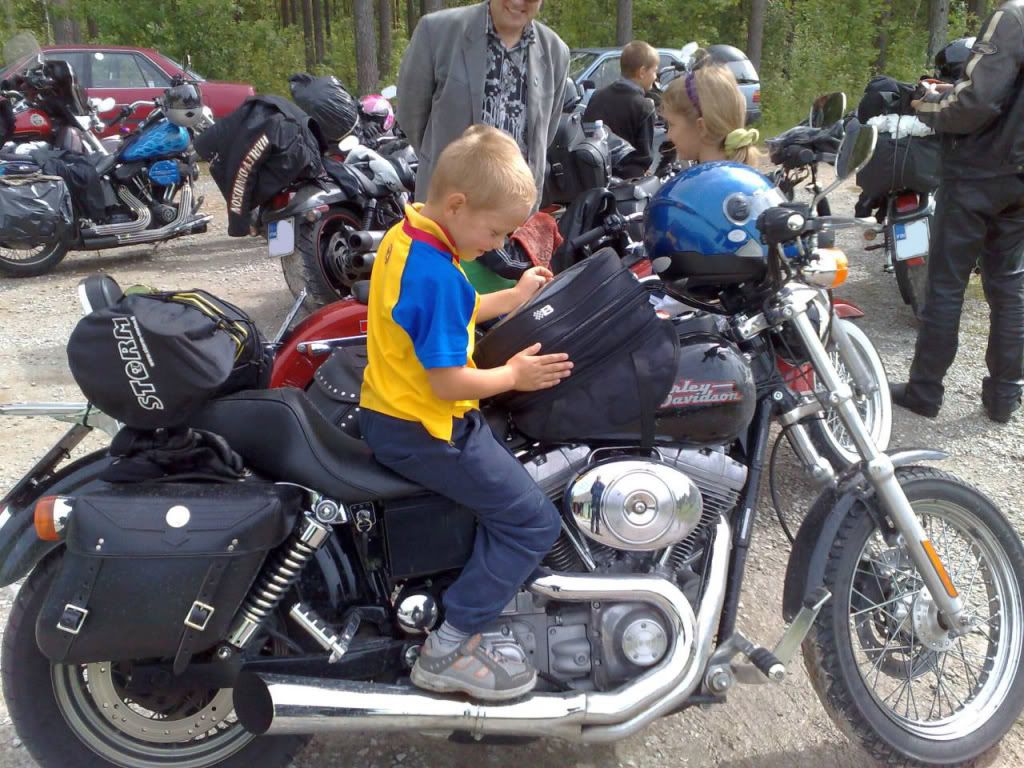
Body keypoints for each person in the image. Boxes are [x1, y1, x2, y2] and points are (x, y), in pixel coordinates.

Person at [358, 125, 573, 701]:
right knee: (532, 523)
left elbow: (454, 309)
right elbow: (449, 379)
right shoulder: (436, 273)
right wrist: (514, 377)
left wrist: (515, 297)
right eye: (495, 231)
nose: (498, 244)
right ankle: (450, 646)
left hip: (390, 408)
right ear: (457, 204)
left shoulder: (409, 237)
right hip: (427, 427)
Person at [890, 3, 1024, 424]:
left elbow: (976, 103)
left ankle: (924, 392)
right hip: (1019, 178)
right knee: (1010, 285)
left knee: (946, 285)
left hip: (978, 173)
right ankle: (1004, 397)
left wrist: (926, 103)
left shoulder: (1014, 16)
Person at [396, 0, 570, 201]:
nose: (517, 1)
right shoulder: (437, 32)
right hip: (447, 202)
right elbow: (411, 114)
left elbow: (545, 133)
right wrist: (441, 158)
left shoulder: (556, 53)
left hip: (514, 208)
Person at [659, 53, 760, 166]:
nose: (669, 136)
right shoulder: (739, 173)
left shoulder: (704, 177)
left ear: (702, 127)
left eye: (671, 124)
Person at [582, 40, 659, 178]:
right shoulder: (645, 106)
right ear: (642, 72)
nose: (656, 77)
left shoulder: (597, 96)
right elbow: (644, 157)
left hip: (593, 175)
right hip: (627, 181)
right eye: (654, 71)